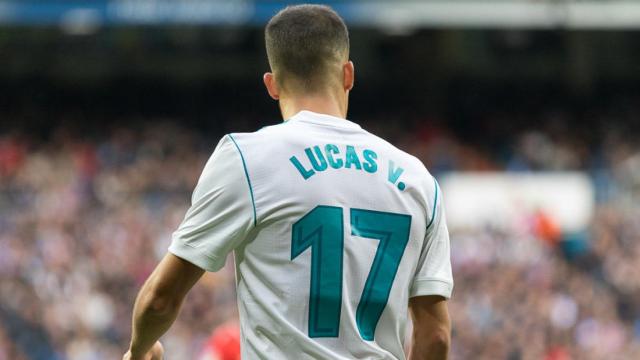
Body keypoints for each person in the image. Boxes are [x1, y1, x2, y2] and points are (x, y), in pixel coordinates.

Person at [123, 4, 453, 360]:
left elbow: (161, 300)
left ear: (272, 85)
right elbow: (435, 336)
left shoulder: (247, 159)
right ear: (348, 75)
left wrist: (139, 350)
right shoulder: (417, 178)